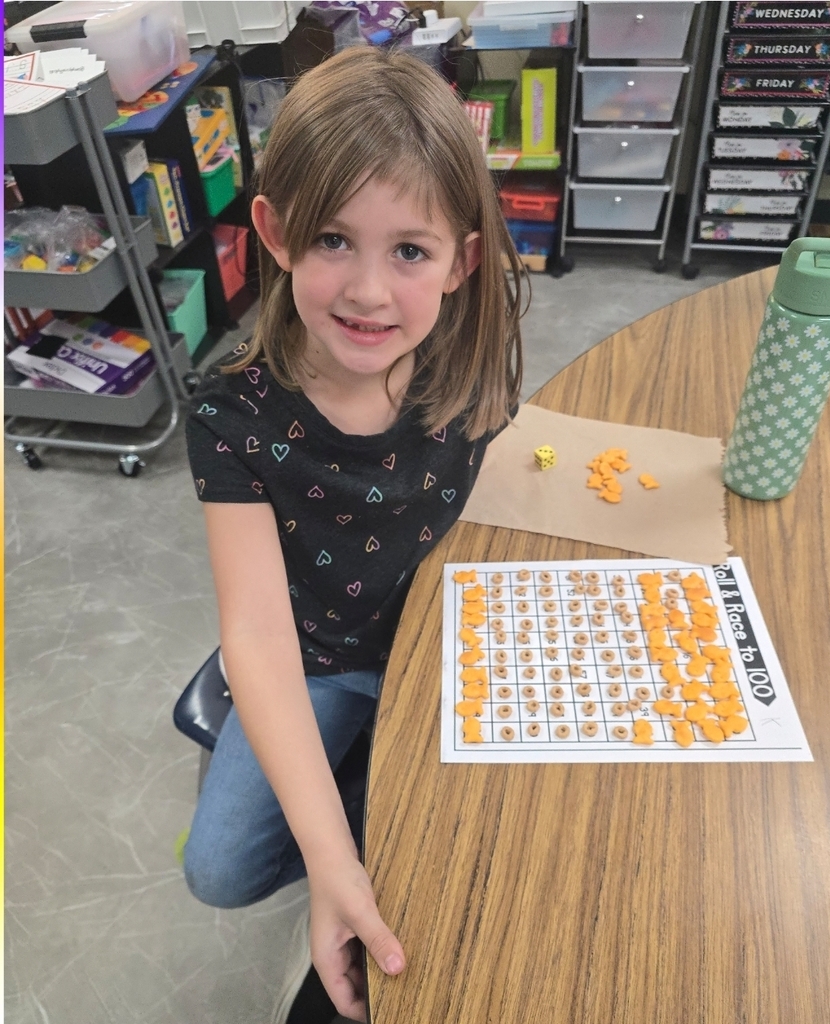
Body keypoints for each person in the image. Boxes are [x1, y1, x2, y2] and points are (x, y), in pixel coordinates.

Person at [183, 45, 527, 1023]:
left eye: (409, 250)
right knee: (216, 869)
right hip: (321, 663)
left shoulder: (466, 366)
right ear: (276, 233)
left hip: (443, 652)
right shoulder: (231, 417)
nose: (369, 291)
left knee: (478, 869)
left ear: (460, 263)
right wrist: (332, 855)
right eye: (333, 239)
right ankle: (344, 802)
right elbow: (256, 635)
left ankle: (362, 802)